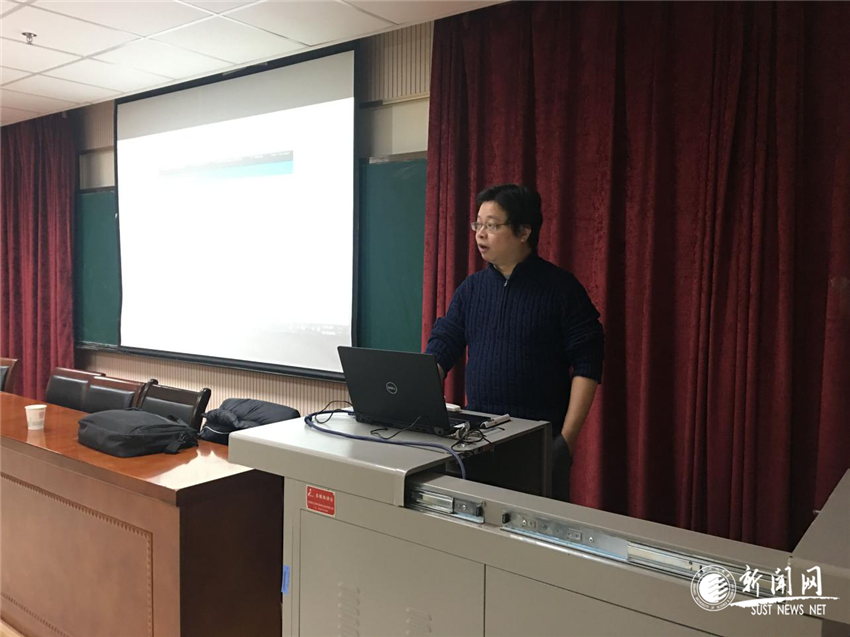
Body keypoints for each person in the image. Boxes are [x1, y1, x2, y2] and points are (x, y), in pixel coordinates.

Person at [425, 184, 604, 501]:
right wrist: (420, 397)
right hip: (476, 440)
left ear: (523, 232)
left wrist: (566, 440)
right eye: (478, 224)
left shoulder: (562, 289)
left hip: (537, 442)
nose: (480, 234)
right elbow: (443, 345)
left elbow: (588, 363)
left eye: (492, 226)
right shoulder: (472, 289)